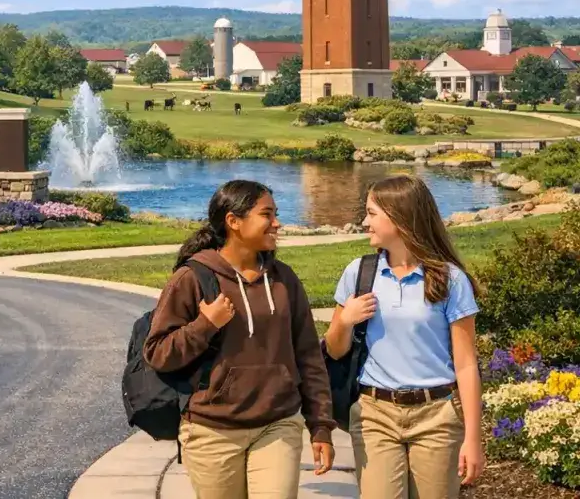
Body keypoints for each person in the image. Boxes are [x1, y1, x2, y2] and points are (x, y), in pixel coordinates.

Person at [143, 180, 335, 499]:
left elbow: (309, 356)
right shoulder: (192, 278)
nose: (277, 223)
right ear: (233, 221)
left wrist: (321, 425)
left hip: (277, 423)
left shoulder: (284, 279)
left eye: (276, 214)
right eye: (267, 214)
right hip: (211, 430)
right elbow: (158, 353)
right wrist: (205, 325)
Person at [324, 175, 484, 499]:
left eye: (371, 213)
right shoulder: (359, 273)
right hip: (374, 414)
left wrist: (473, 437)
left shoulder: (450, 280)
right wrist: (346, 321)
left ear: (399, 218)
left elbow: (466, 365)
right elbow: (334, 349)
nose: (364, 221)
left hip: (437, 415)